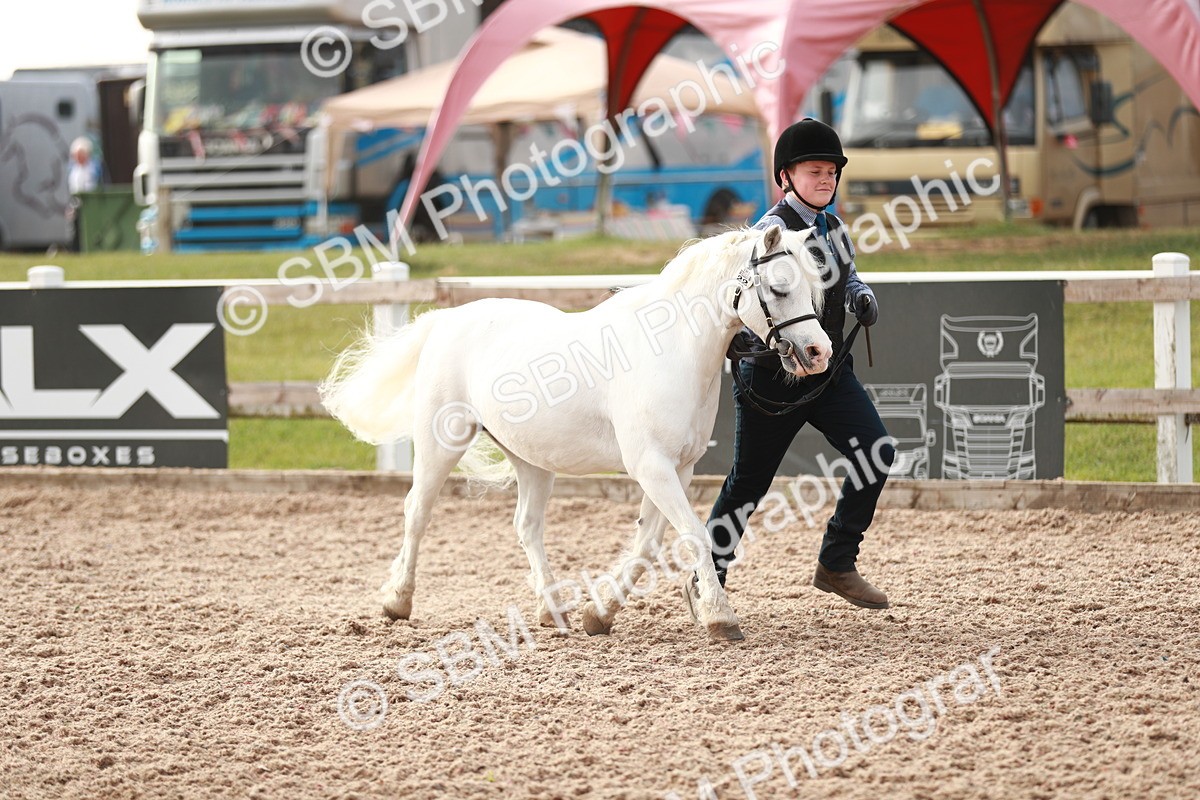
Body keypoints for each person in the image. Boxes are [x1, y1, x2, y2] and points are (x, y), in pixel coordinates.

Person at [691, 118, 894, 613]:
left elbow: (848, 279)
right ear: (787, 177)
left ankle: (837, 561)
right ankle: (706, 577)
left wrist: (861, 296)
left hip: (827, 374)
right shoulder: (767, 235)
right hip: (772, 381)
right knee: (748, 483)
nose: (826, 179)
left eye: (831, 172)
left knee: (877, 451)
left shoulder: (835, 227)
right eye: (814, 171)